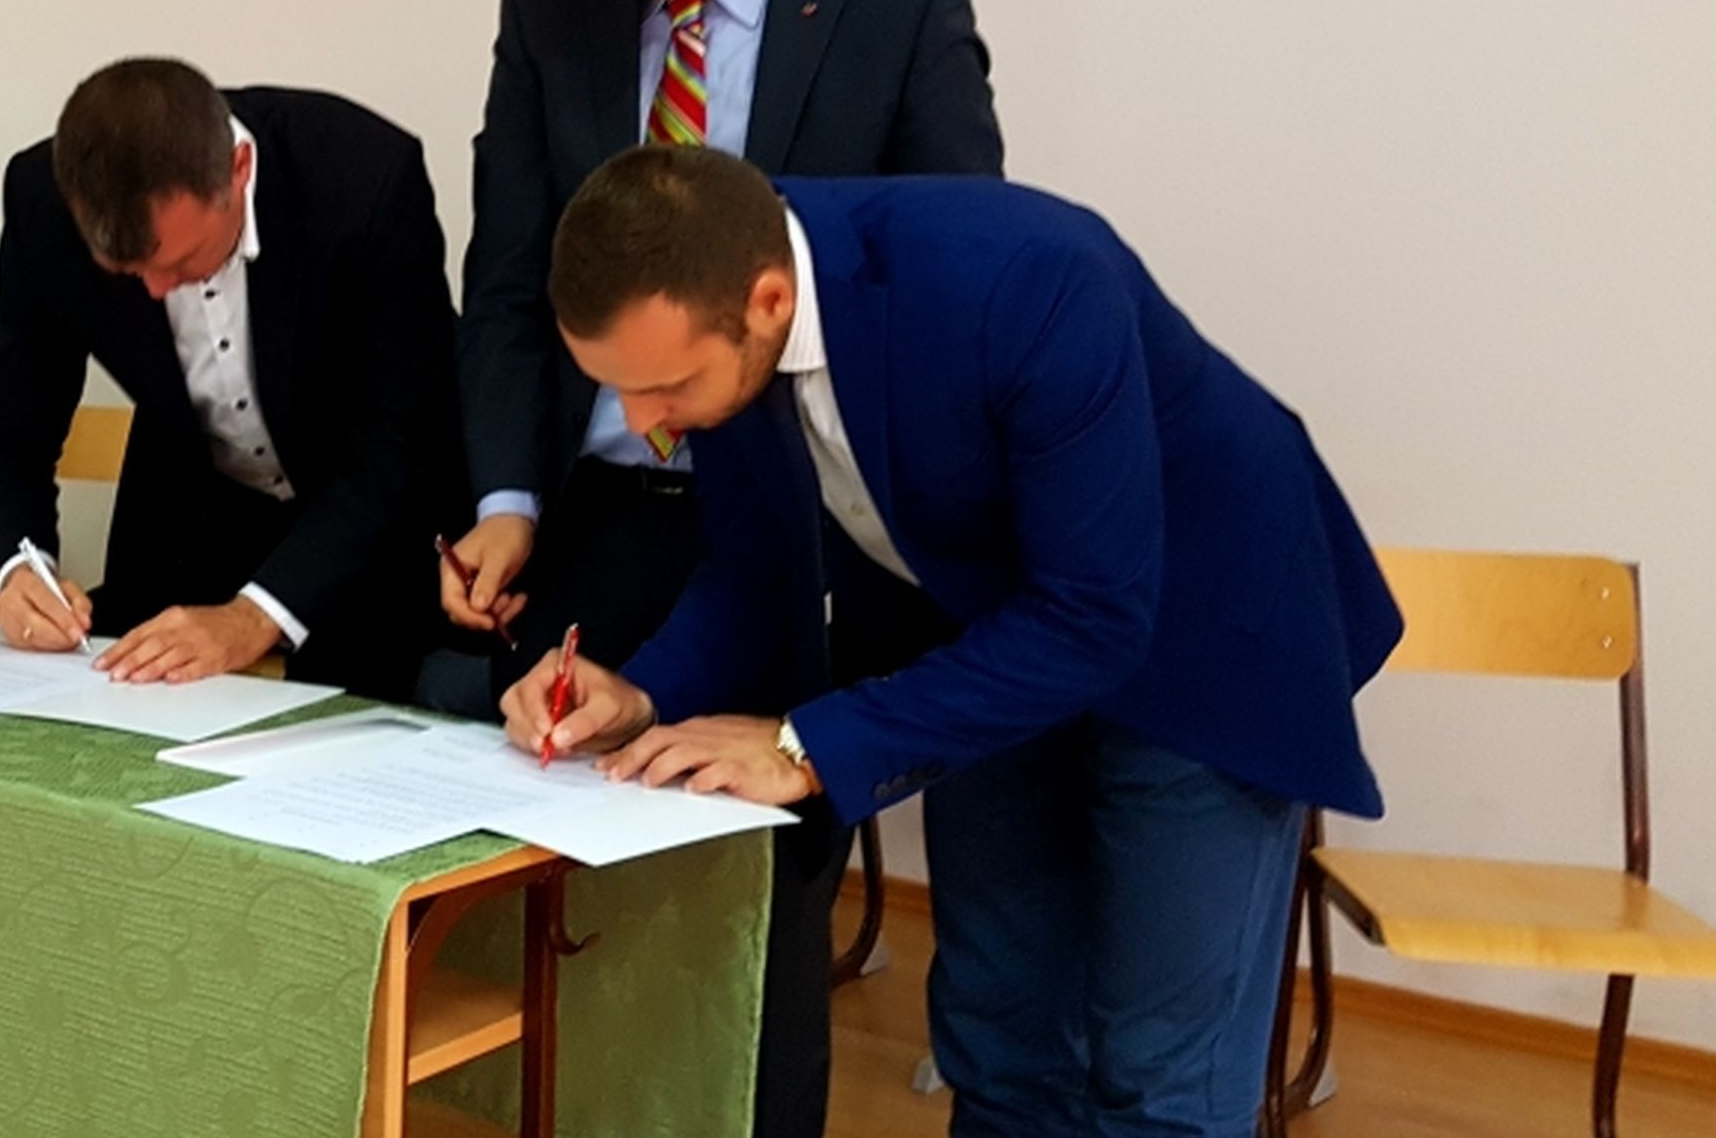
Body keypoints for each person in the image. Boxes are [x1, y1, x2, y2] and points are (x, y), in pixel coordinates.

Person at [504, 146, 1402, 1138]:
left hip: (1206, 643)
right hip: (993, 639)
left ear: (768, 301)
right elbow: (751, 574)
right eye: (619, 390)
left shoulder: (1027, 276)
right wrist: (637, 692)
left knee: (1161, 1084)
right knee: (999, 1033)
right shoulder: (717, 309)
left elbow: (1095, 613)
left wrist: (804, 747)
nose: (646, 422)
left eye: (665, 387)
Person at [435, 0, 1007, 1136]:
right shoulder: (549, 14)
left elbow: (951, 286)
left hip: (810, 527)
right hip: (605, 519)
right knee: (566, 875)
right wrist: (505, 500)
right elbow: (507, 280)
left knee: (753, 907)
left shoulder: (896, 7)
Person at [0, 60, 458, 698]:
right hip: (192, 520)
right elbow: (12, 430)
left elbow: (398, 446)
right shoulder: (41, 201)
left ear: (239, 169)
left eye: (181, 262)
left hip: (371, 530)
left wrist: (255, 617)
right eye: (127, 272)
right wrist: (20, 566)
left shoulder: (364, 181)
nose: (156, 290)